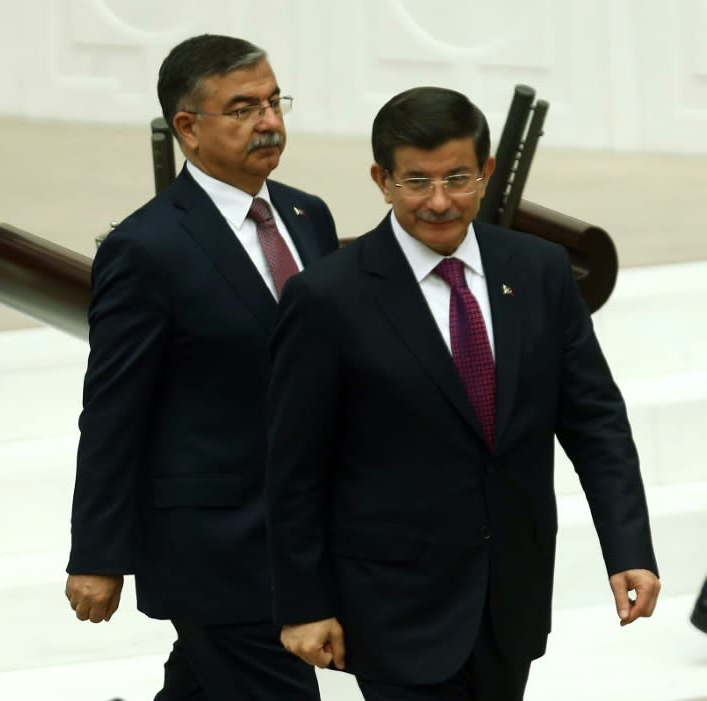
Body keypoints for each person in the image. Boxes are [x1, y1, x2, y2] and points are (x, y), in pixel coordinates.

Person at [264, 86, 661, 701]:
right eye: (416, 182)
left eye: (458, 178)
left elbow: (595, 421)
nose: (440, 201)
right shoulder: (328, 298)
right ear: (382, 179)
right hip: (393, 608)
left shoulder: (540, 271)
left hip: (510, 601)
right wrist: (302, 602)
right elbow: (294, 466)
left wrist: (628, 546)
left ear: (488, 172)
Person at [64, 34, 339, 701]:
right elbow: (112, 410)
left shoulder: (307, 216)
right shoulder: (147, 247)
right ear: (188, 127)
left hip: (305, 532)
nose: (269, 121)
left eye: (274, 102)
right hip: (214, 544)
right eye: (242, 108)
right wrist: (99, 555)